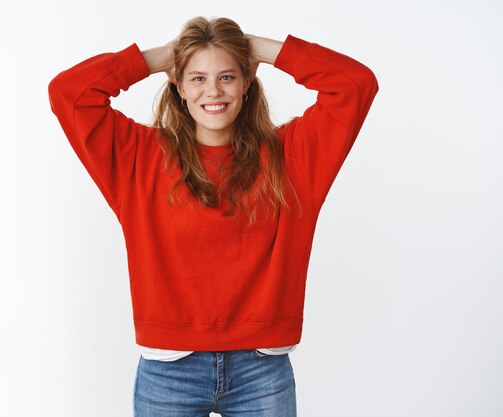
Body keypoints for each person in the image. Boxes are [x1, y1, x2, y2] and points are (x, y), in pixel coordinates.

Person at [49, 16, 378, 417]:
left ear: (247, 82)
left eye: (227, 76)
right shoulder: (140, 157)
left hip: (262, 369)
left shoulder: (292, 157)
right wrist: (158, 57)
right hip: (169, 371)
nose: (213, 91)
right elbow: (69, 93)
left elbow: (355, 84)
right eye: (198, 78)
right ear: (179, 87)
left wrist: (262, 48)